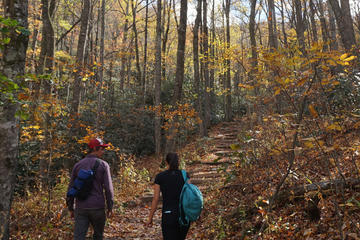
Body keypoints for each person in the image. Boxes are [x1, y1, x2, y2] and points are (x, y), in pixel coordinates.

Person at [66, 138, 114, 240]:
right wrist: (110, 207)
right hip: (98, 207)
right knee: (98, 236)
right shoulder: (103, 165)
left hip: (81, 207)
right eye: (101, 149)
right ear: (95, 149)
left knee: (79, 237)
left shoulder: (78, 165)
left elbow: (71, 187)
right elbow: (109, 189)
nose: (103, 151)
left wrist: (70, 207)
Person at [146, 152, 190, 240]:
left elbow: (155, 199)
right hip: (184, 216)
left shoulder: (160, 177)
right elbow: (190, 195)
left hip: (168, 215)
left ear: (166, 162)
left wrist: (150, 217)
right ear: (178, 162)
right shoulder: (185, 175)